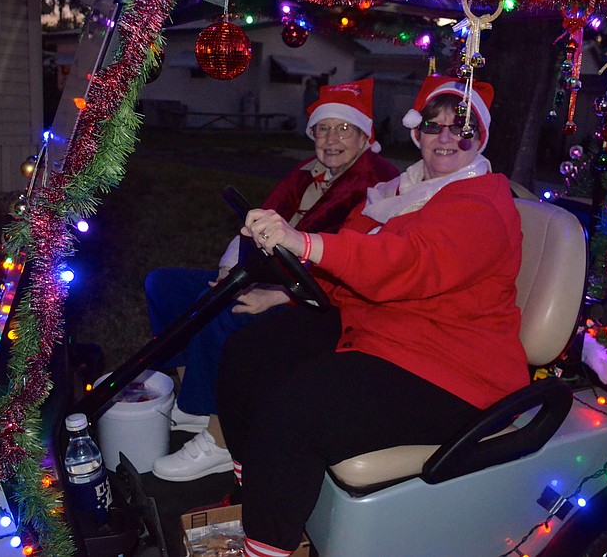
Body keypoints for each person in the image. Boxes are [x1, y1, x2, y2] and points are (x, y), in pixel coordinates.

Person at [215, 76, 528, 557]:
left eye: (461, 129)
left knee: (295, 411)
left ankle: (264, 545)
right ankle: (252, 487)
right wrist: (289, 293)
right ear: (416, 132)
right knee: (249, 354)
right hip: (379, 329)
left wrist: (304, 242)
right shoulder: (397, 191)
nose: (446, 138)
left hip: (452, 368)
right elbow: (349, 271)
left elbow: (405, 263)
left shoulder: (481, 204)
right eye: (434, 126)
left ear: (480, 138)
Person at [145, 78, 400, 482]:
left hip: (315, 301)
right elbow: (263, 218)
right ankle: (196, 403)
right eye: (323, 129)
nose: (331, 139)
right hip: (264, 274)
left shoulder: (378, 188)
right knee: (164, 284)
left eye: (343, 129)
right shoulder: (310, 173)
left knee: (225, 314)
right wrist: (232, 269)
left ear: (365, 136)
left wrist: (277, 294)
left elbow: (349, 266)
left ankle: (222, 439)